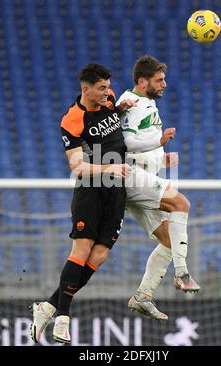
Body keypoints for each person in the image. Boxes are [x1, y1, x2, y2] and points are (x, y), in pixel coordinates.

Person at [30, 63, 137, 344]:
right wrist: (107, 169)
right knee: (82, 248)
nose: (107, 92)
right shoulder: (72, 120)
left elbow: (109, 120)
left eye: (107, 87)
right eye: (101, 88)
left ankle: (48, 306)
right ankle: (63, 317)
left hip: (116, 188)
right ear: (85, 88)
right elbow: (77, 167)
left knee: (100, 254)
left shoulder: (110, 98)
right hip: (91, 188)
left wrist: (120, 109)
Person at [117, 55, 200, 321]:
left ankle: (142, 297)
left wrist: (159, 157)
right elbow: (125, 144)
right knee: (181, 203)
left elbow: (140, 143)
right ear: (143, 81)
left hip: (140, 175)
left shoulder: (147, 102)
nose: (164, 84)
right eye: (159, 80)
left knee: (168, 239)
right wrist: (158, 141)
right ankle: (182, 273)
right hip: (129, 177)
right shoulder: (129, 102)